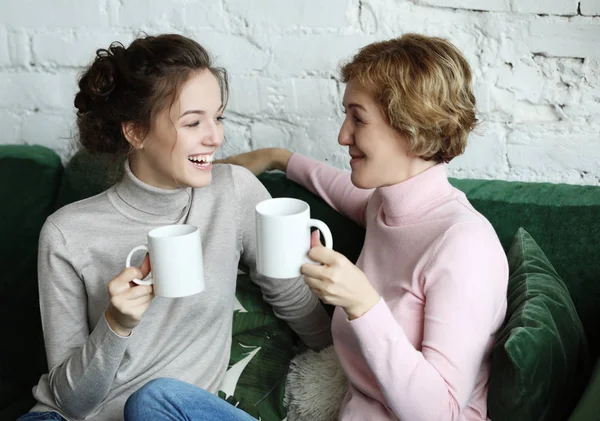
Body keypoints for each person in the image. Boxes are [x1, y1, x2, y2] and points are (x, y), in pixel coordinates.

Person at [18, 33, 331, 421]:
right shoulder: (66, 233)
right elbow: (71, 402)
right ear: (136, 132)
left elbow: (290, 295)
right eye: (192, 122)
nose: (214, 136)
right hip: (66, 416)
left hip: (170, 410)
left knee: (154, 398)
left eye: (217, 117)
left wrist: (349, 366)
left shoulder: (232, 192)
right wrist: (116, 324)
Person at [206, 33, 509, 421]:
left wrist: (362, 303)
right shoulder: (387, 206)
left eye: (358, 118)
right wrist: (277, 157)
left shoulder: (465, 246)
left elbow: (443, 412)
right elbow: (340, 190)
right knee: (157, 400)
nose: (343, 135)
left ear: (411, 128)